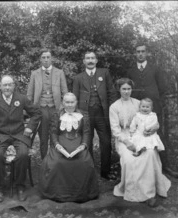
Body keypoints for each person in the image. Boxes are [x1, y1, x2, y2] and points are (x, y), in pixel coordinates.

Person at [109, 78, 171, 207]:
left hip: (142, 135)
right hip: (124, 137)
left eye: (129, 89)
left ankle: (149, 192)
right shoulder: (114, 107)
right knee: (129, 159)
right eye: (123, 89)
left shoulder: (138, 103)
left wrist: (154, 128)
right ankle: (133, 192)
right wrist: (127, 143)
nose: (126, 91)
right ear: (119, 90)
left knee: (150, 154)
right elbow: (115, 130)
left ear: (132, 89)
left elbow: (152, 118)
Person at [0, 75, 41, 202]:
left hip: (19, 135)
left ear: (14, 86)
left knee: (23, 154)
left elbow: (37, 113)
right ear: (0, 86)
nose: (7, 87)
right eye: (5, 85)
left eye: (10, 84)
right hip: (0, 136)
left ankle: (20, 186)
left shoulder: (21, 98)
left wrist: (30, 127)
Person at [126, 43, 178, 178]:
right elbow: (128, 89)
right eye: (138, 51)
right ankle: (139, 167)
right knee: (137, 134)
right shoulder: (130, 71)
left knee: (157, 134)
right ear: (135, 53)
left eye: (143, 51)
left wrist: (155, 103)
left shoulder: (155, 68)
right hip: (137, 107)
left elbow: (162, 88)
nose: (140, 54)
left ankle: (165, 165)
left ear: (147, 53)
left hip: (153, 106)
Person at [39, 93, 99, 202]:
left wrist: (83, 145)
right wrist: (57, 145)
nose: (70, 105)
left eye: (72, 102)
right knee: (56, 163)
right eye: (67, 102)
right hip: (61, 143)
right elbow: (53, 133)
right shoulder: (57, 114)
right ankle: (58, 193)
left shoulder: (84, 115)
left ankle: (81, 194)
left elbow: (86, 133)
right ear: (63, 103)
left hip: (78, 143)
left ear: (76, 102)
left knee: (84, 162)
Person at [73, 51, 117, 180]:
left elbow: (112, 93)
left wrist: (112, 110)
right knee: (87, 141)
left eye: (92, 58)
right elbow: (75, 98)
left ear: (96, 60)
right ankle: (89, 170)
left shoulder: (104, 73)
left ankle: (105, 171)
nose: (90, 60)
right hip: (85, 114)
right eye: (88, 58)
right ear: (84, 61)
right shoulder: (78, 78)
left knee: (106, 142)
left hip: (102, 113)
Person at [27, 48, 68, 159]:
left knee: (54, 135)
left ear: (52, 59)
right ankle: (44, 160)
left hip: (55, 108)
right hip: (40, 109)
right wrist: (29, 110)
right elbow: (29, 94)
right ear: (40, 59)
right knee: (43, 137)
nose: (46, 59)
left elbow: (65, 92)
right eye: (43, 57)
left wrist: (63, 108)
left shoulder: (59, 73)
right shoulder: (34, 73)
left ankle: (54, 159)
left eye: (48, 57)